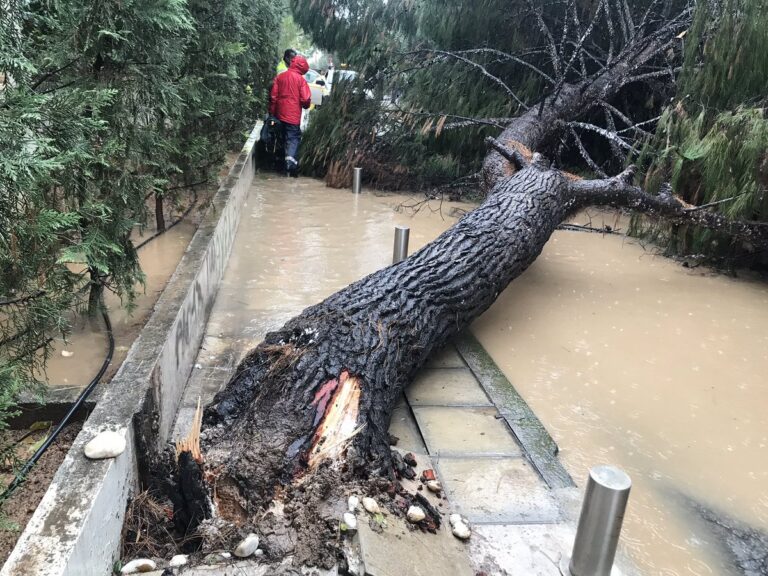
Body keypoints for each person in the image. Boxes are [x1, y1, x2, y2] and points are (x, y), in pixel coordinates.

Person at [269, 53, 311, 177]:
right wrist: (306, 106)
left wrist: (272, 114)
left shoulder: (280, 77)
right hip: (293, 117)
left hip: (279, 115)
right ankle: (289, 163)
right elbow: (305, 99)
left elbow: (273, 97)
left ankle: (280, 165)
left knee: (282, 138)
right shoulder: (301, 80)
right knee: (292, 138)